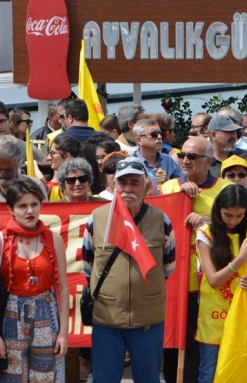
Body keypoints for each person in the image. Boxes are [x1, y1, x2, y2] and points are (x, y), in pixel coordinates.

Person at [82, 158, 175, 383]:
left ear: (146, 187)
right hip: (107, 318)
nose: (128, 189)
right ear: (114, 185)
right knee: (104, 379)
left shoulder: (160, 219)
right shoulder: (97, 218)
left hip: (147, 319)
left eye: (135, 182)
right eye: (122, 183)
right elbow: (88, 265)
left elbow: (168, 265)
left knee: (148, 379)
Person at [0, 179, 68, 382]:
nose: (30, 210)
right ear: (10, 209)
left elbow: (62, 288)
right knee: (12, 378)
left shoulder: (53, 239)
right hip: (11, 316)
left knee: (45, 378)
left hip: (46, 315)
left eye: (34, 204)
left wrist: (63, 333)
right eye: (22, 205)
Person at [159, 137, 232, 383]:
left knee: (206, 350)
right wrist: (180, 194)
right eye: (183, 155)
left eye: (193, 156)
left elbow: (238, 227)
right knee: (175, 350)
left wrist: (208, 220)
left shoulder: (225, 190)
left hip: (210, 285)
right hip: (175, 281)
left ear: (208, 161)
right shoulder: (168, 188)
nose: (186, 160)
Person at [195, 184, 247, 383]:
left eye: (240, 216)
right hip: (213, 317)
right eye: (228, 215)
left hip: (240, 316)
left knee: (236, 369)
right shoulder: (206, 233)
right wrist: (240, 258)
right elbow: (213, 280)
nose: (233, 221)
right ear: (218, 210)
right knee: (208, 373)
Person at [0, 138, 48, 202]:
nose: (3, 174)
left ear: (18, 165)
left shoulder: (36, 186)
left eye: (8, 170)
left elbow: (45, 216)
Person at [133, 118, 182, 183]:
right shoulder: (130, 162)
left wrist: (168, 182)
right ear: (139, 140)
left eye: (160, 133)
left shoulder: (168, 160)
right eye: (154, 134)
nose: (159, 136)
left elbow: (180, 185)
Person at [45, 134, 83, 201]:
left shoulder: (82, 186)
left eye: (53, 153)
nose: (48, 157)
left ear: (67, 156)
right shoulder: (51, 186)